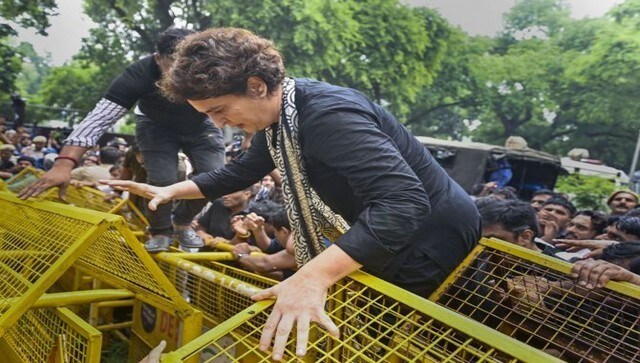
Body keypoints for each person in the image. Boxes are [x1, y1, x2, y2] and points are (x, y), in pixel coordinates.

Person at [103, 28, 480, 361]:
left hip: (427, 239)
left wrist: (312, 277)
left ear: (256, 85)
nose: (217, 124)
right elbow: (240, 171)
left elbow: (403, 202)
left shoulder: (327, 115)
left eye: (219, 110)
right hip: (383, 235)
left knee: (392, 342)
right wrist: (171, 189)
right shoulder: (279, 120)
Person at [18, 27, 225, 252]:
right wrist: (64, 163)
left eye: (187, 68)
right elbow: (99, 118)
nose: (180, 77)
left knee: (216, 178)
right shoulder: (139, 74)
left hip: (201, 125)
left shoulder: (213, 70)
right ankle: (160, 231)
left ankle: (182, 221)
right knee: (163, 178)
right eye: (172, 67)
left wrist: (250, 136)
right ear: (157, 59)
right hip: (156, 127)